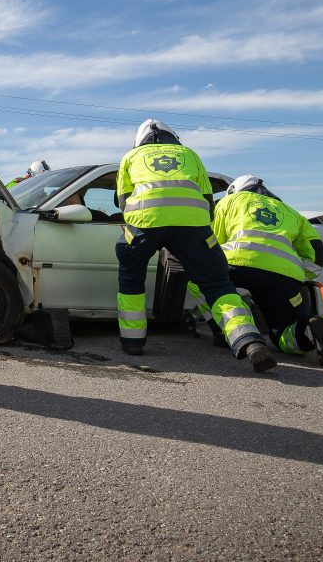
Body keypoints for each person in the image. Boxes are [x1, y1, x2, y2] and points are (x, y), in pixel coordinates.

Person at [114, 119, 276, 373]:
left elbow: (123, 202)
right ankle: (248, 340)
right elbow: (208, 200)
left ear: (139, 140)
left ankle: (132, 342)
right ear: (173, 137)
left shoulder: (131, 157)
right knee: (216, 284)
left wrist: (147, 227)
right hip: (193, 226)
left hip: (144, 224)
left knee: (131, 278)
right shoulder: (190, 155)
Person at [201, 174, 323, 366]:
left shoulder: (229, 201)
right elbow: (316, 257)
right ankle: (307, 328)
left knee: (201, 280)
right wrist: (298, 274)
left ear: (234, 190)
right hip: (286, 276)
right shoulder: (292, 213)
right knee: (283, 333)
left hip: (238, 264)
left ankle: (230, 331)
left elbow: (213, 242)